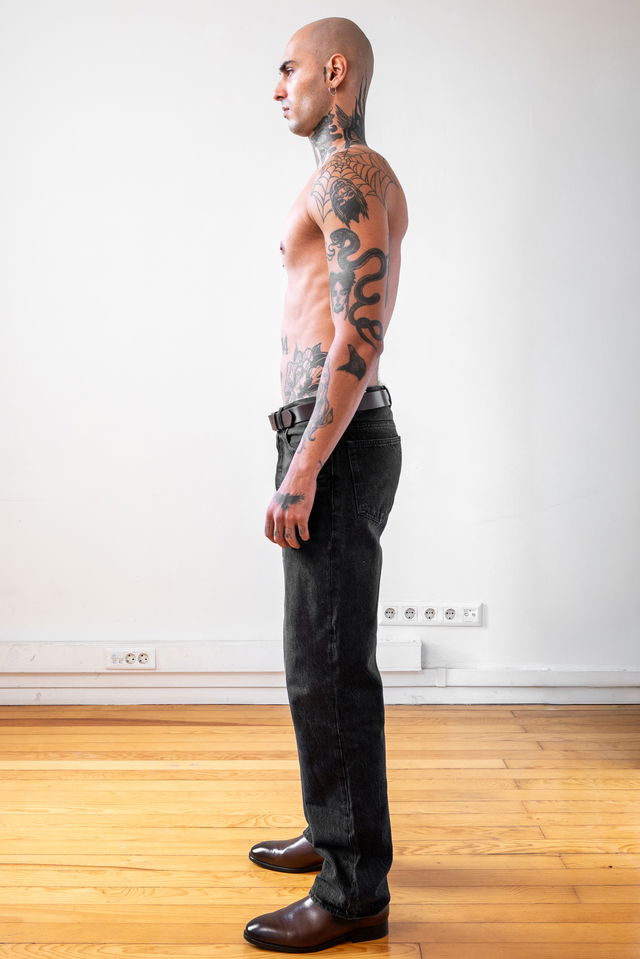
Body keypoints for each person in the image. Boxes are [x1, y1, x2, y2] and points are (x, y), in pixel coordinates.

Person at [243, 16, 408, 953]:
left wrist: (303, 466)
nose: (278, 88)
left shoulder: (351, 173)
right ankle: (331, 827)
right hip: (324, 434)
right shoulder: (340, 175)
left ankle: (353, 893)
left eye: (289, 68)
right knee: (316, 659)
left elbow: (360, 331)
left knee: (331, 666)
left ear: (334, 71)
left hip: (333, 440)